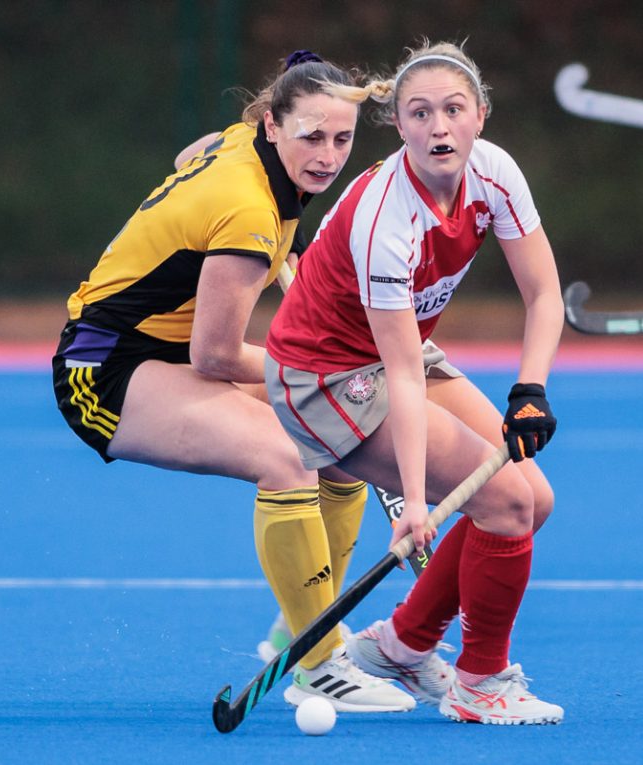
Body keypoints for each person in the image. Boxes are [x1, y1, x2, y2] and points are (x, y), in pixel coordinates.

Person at [51, 50, 419, 711]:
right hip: (104, 371)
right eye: (312, 136)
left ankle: (301, 617)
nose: (328, 156)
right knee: (284, 453)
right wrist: (334, 366)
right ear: (274, 126)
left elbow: (190, 156)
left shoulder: (243, 144)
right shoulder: (249, 208)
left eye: (342, 138)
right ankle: (319, 659)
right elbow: (217, 355)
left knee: (337, 435)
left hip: (165, 356)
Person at [264, 40, 565, 724]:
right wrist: (412, 501)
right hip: (325, 377)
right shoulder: (383, 217)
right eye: (420, 112)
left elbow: (544, 292)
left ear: (480, 116)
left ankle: (402, 643)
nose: (439, 126)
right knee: (507, 504)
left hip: (398, 352)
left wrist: (531, 389)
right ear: (399, 126)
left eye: (453, 110)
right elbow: (398, 372)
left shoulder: (495, 174)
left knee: (530, 500)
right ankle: (479, 681)